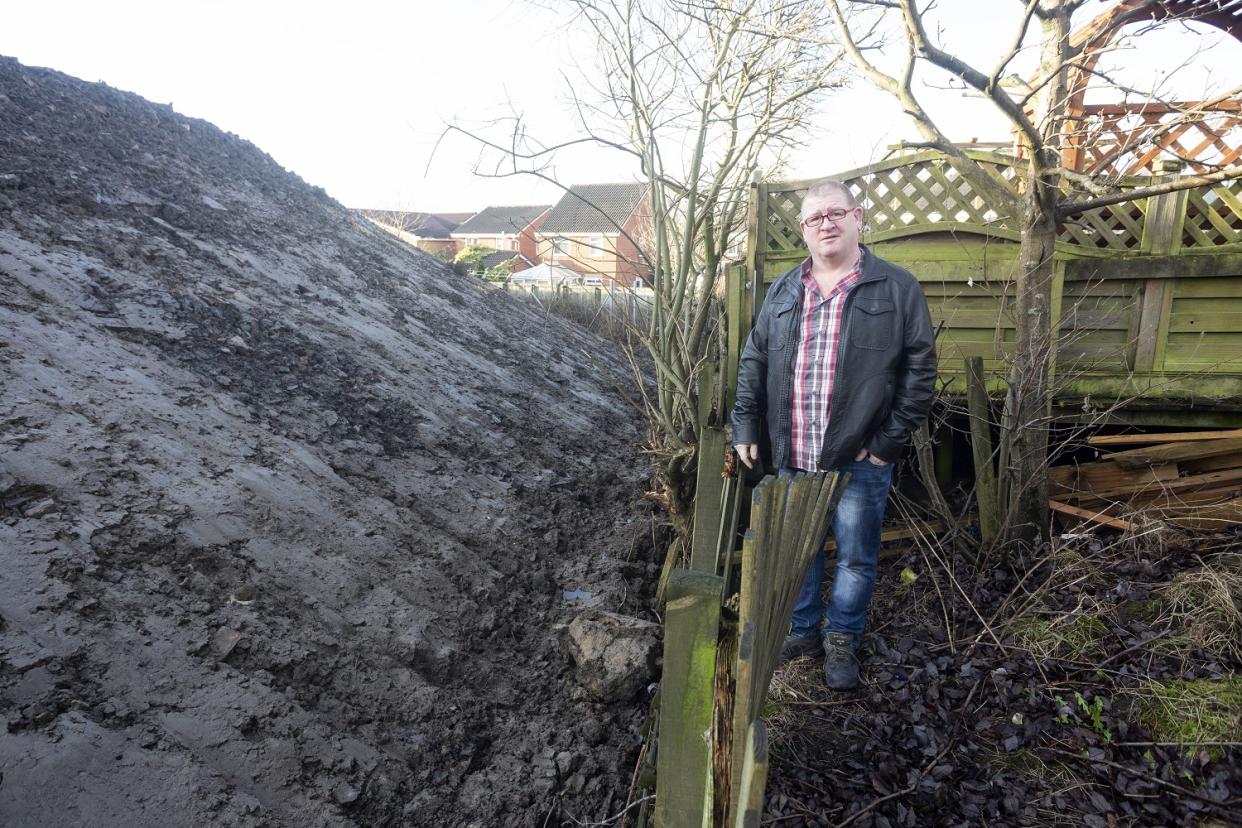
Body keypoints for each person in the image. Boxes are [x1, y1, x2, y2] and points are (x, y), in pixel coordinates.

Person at [731, 179, 937, 690]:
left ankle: (841, 638)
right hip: (794, 450)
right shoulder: (784, 289)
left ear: (857, 218)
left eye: (835, 213)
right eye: (814, 217)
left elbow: (920, 369)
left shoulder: (895, 287)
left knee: (856, 557)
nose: (825, 223)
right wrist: (746, 424)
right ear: (803, 230)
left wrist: (888, 441)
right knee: (799, 549)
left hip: (858, 457)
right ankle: (802, 630)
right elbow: (755, 358)